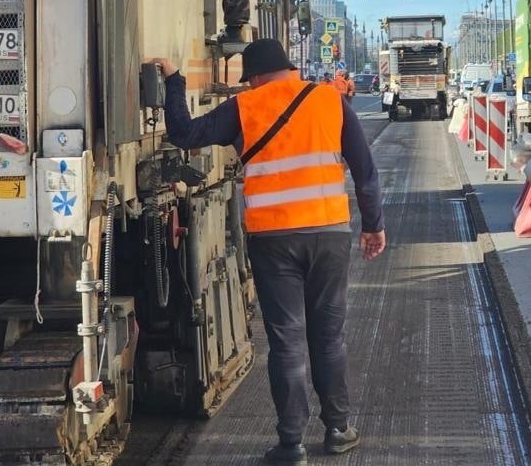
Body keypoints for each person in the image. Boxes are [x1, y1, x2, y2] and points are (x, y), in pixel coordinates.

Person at [152, 40, 385, 464]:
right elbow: (365, 171)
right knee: (329, 336)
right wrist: (373, 225)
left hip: (274, 240)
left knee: (288, 341)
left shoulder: (246, 105)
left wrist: (173, 80)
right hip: (329, 234)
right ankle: (338, 429)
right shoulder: (329, 99)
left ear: (255, 76)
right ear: (290, 68)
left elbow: (184, 133)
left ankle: (292, 444)